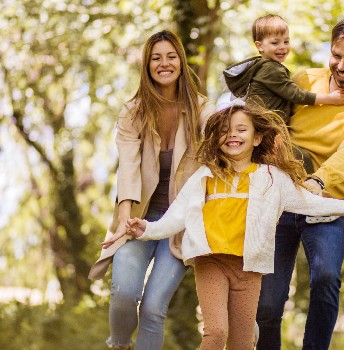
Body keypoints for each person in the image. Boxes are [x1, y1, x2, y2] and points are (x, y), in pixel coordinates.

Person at [103, 104, 344, 350]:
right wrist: (147, 229)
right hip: (211, 262)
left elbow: (310, 203)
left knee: (243, 342)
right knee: (216, 333)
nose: (232, 135)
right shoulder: (207, 176)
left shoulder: (271, 177)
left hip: (249, 268)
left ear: (257, 139)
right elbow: (176, 216)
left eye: (241, 129)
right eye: (226, 130)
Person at [255, 18, 344, 350]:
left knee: (327, 278)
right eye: (336, 56)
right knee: (269, 302)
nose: (342, 66)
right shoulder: (303, 80)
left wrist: (318, 180)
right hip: (282, 200)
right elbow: (272, 123)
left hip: (329, 203)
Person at [87, 30, 215, 350]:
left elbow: (223, 145)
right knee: (124, 294)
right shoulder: (133, 112)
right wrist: (124, 221)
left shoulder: (201, 109)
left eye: (171, 56)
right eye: (156, 58)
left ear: (182, 63)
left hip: (178, 224)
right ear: (147, 66)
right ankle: (119, 345)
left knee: (154, 308)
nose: (164, 63)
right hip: (139, 217)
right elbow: (128, 167)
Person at [222, 14, 344, 126]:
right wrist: (329, 99)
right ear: (259, 46)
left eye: (286, 41)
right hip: (262, 127)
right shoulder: (271, 69)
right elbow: (296, 94)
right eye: (275, 43)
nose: (282, 47)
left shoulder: (265, 66)